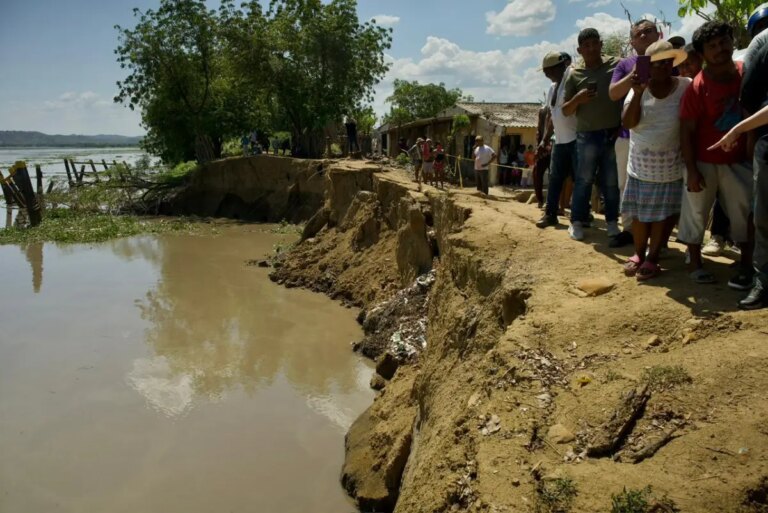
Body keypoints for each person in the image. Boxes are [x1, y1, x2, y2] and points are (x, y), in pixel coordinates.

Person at [678, 20, 754, 288]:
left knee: (744, 215)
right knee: (696, 212)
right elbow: (686, 132)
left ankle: (747, 265)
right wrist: (692, 170)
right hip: (703, 162)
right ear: (702, 54)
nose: (720, 49)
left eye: (724, 42)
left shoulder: (747, 73)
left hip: (739, 162)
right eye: (712, 46)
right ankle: (695, 264)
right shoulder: (697, 87)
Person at [709, 5, 768, 308]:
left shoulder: (760, 43)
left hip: (764, 140)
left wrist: (744, 135)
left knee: (763, 216)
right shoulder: (760, 45)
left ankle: (762, 280)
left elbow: (750, 97)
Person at [620, 41, 691, 280]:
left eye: (666, 62)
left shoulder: (684, 86)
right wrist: (639, 93)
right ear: (646, 66)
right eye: (656, 63)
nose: (662, 67)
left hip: (670, 166)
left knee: (661, 215)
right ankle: (639, 254)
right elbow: (628, 123)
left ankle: (652, 258)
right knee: (640, 216)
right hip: (640, 165)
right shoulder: (637, 89)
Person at [562, 28, 623, 242]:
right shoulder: (573, 74)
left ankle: (612, 222)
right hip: (586, 135)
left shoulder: (616, 65)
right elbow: (565, 110)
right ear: (579, 50)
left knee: (611, 181)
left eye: (594, 43)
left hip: (613, 133)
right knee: (584, 180)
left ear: (601, 44)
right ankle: (577, 221)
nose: (591, 49)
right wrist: (578, 99)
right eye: (586, 46)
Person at [608, 19, 661, 248]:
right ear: (631, 42)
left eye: (648, 31)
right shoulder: (623, 65)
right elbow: (613, 94)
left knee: (660, 185)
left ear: (658, 35)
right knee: (625, 185)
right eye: (638, 34)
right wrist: (636, 73)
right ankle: (629, 229)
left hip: (661, 135)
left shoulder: (670, 61)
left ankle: (657, 235)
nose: (644, 36)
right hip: (627, 136)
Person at [537, 51, 578, 228]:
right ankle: (550, 214)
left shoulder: (572, 81)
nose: (546, 74)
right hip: (559, 141)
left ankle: (579, 217)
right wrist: (544, 140)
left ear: (559, 67)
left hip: (576, 139)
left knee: (579, 179)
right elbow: (552, 116)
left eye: (548, 70)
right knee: (555, 179)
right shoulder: (553, 88)